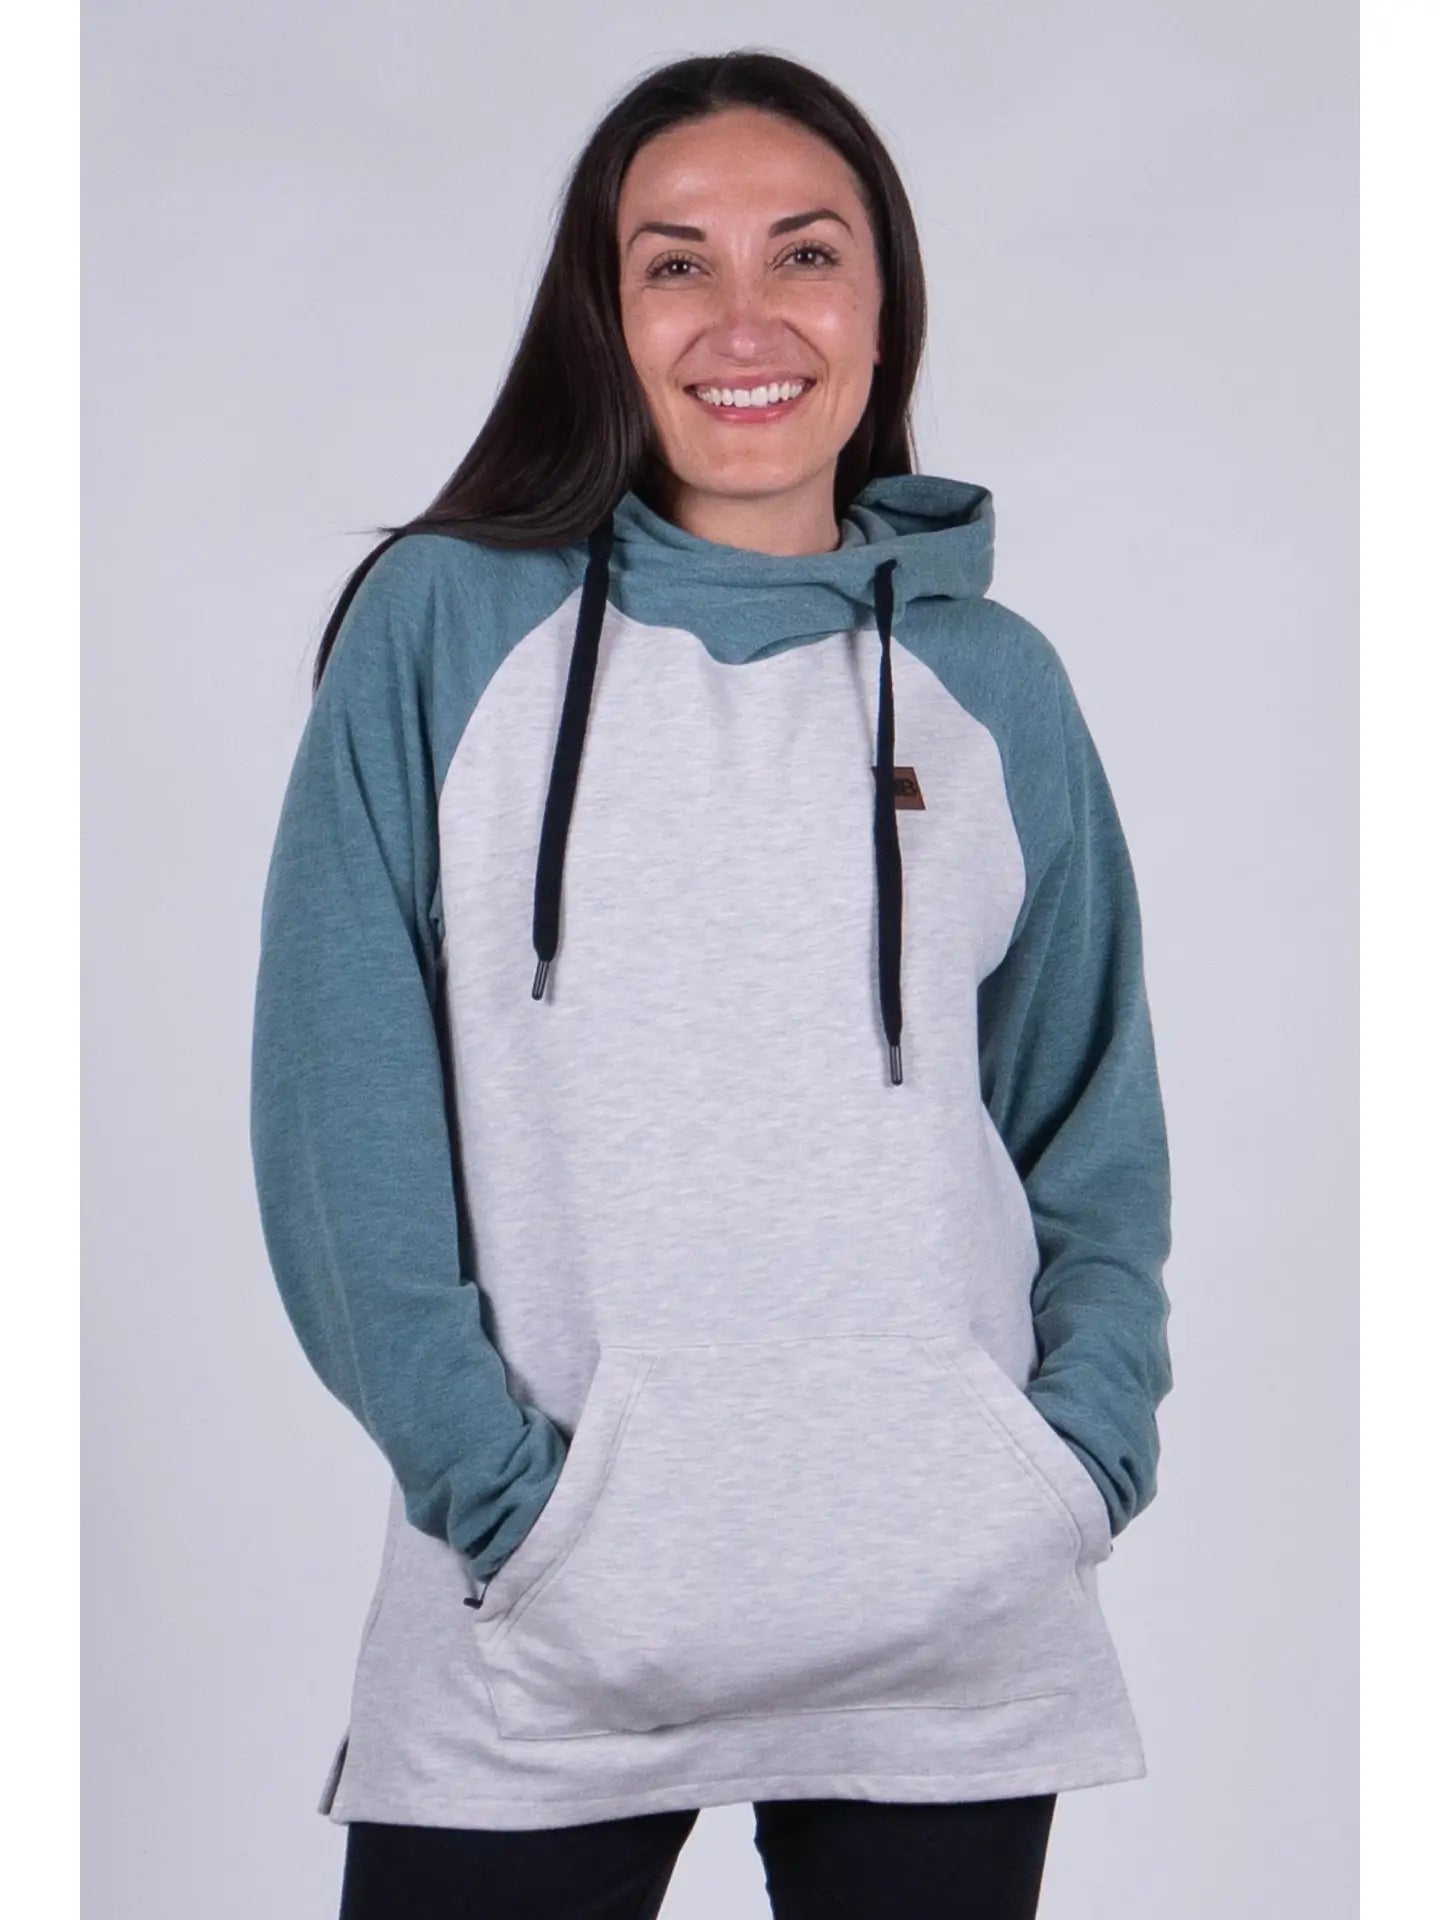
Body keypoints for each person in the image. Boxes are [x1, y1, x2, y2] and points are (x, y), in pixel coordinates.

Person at [248, 46, 1173, 1920]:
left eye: (804, 255)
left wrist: (1077, 1458)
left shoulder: (997, 680)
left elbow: (1087, 1114)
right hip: (542, 1624)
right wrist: (505, 1503)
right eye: (675, 264)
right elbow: (339, 1106)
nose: (745, 322)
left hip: (947, 1626)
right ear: (602, 313)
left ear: (883, 303)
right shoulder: (447, 626)